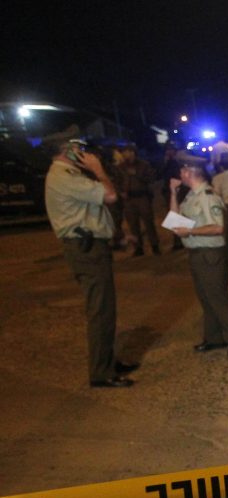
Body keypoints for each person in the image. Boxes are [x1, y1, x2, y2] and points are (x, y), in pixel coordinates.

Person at [44, 138, 138, 388]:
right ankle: (101, 372)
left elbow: (93, 213)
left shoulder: (69, 174)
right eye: (77, 149)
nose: (83, 153)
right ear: (65, 151)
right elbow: (109, 195)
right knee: (100, 311)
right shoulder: (64, 176)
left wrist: (117, 235)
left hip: (91, 247)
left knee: (105, 309)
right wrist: (99, 170)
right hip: (86, 250)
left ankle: (107, 362)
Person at [169, 159, 228, 357]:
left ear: (190, 172)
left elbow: (219, 227)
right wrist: (173, 193)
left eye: (182, 169)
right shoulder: (191, 196)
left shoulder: (208, 197)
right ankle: (214, 338)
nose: (180, 172)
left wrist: (191, 230)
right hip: (197, 252)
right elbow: (173, 220)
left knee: (218, 297)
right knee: (206, 298)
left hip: (210, 254)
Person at [115, 143, 160, 256]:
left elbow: (151, 178)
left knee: (149, 223)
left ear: (132, 152)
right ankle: (138, 248)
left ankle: (155, 246)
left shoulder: (143, 165)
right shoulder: (121, 167)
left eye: (126, 151)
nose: (124, 154)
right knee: (133, 225)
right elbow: (117, 181)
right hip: (129, 199)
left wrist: (137, 175)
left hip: (142, 197)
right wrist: (121, 192)